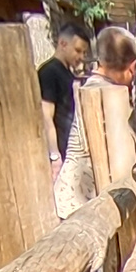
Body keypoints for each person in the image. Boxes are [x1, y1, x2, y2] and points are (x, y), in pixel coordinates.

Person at [54, 25, 136, 272]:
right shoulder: (104, 94)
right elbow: (124, 148)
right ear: (131, 67)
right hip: (80, 200)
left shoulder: (97, 87)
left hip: (86, 195)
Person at [38, 21, 91, 184]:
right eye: (78, 51)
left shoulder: (67, 72)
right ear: (63, 44)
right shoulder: (48, 72)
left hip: (71, 150)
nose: (81, 57)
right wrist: (54, 156)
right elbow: (46, 116)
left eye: (84, 52)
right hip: (60, 152)